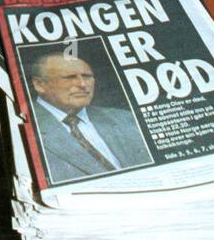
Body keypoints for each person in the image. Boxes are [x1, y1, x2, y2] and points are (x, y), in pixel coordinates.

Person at [30, 52, 151, 183]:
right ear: (39, 84)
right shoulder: (26, 128)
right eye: (69, 77)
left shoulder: (126, 118)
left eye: (87, 76)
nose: (82, 84)